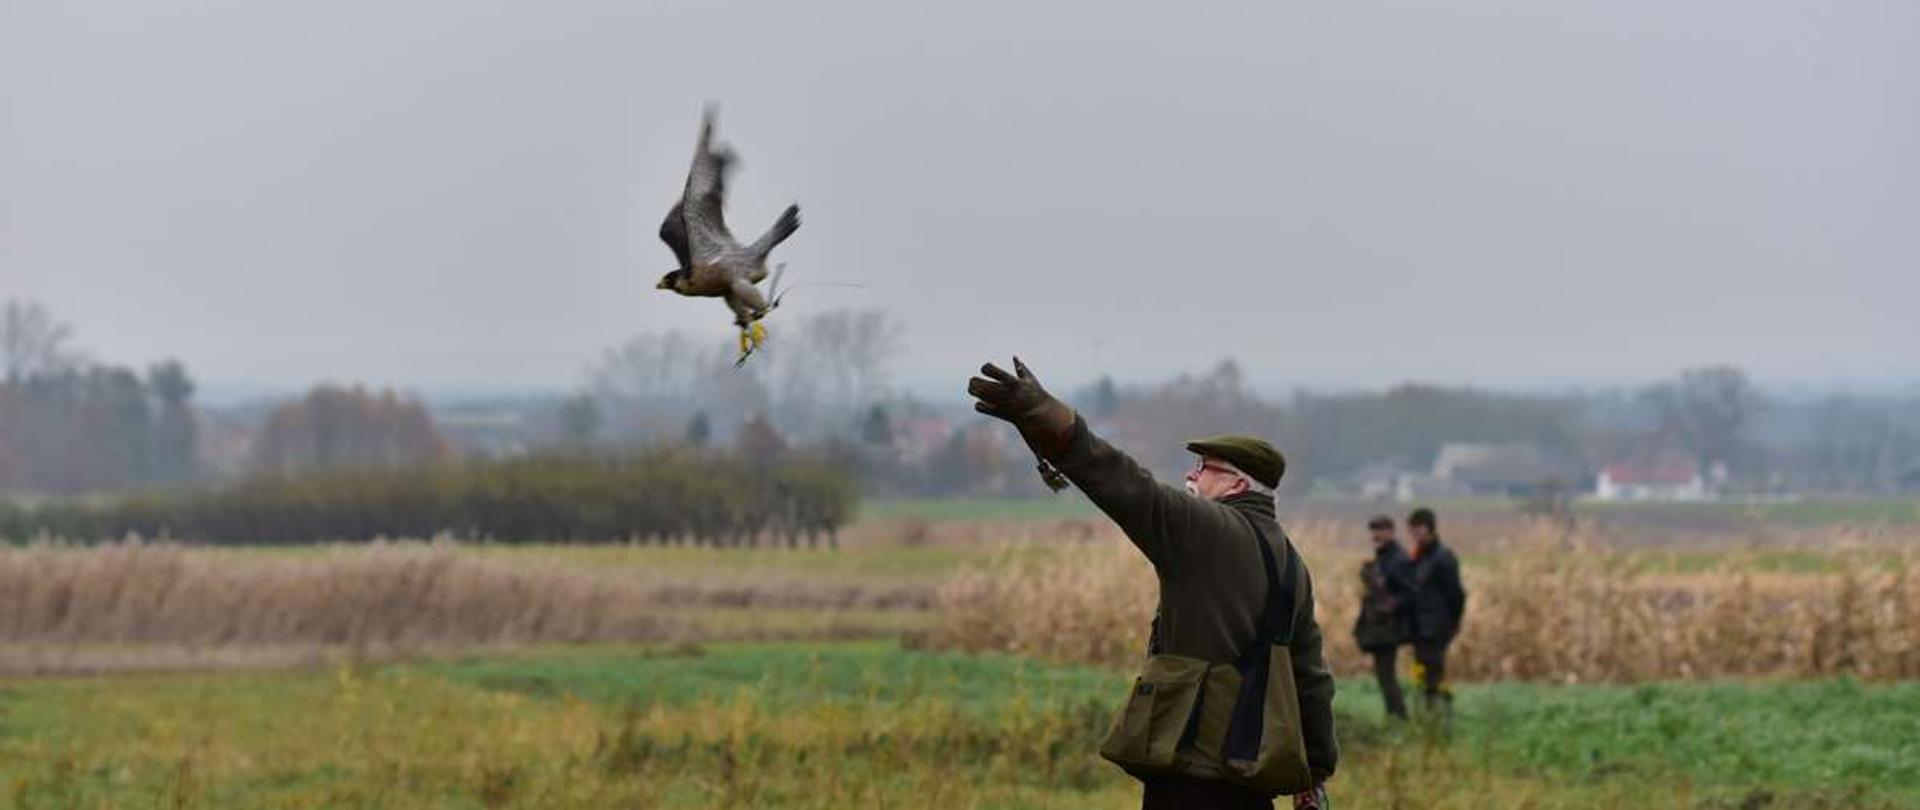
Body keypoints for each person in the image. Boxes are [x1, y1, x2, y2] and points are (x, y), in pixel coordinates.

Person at [968, 358, 1335, 810]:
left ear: (1239, 482)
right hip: (1252, 776)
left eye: (1205, 468)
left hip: (1188, 769)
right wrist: (1314, 773)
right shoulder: (1291, 562)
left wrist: (1046, 419)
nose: (1190, 476)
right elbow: (1311, 679)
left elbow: (1126, 486)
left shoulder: (1207, 529)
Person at [1352, 515, 1413, 719]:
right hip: (1379, 625)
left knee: (1386, 673)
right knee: (1383, 673)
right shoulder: (1384, 556)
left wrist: (1391, 605)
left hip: (1389, 626)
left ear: (1391, 532)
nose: (1376, 534)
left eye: (1381, 530)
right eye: (1373, 530)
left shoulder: (1398, 559)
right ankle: (1394, 715)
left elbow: (1411, 593)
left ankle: (1398, 717)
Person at [1405, 507, 1466, 710]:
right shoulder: (1419, 557)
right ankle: (1428, 715)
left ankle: (1440, 715)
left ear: (1430, 529)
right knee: (1421, 673)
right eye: (1412, 530)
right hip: (1420, 627)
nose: (1415, 535)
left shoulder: (1444, 558)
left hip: (1436, 627)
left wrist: (1453, 623)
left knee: (1434, 674)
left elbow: (1456, 594)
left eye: (1418, 530)